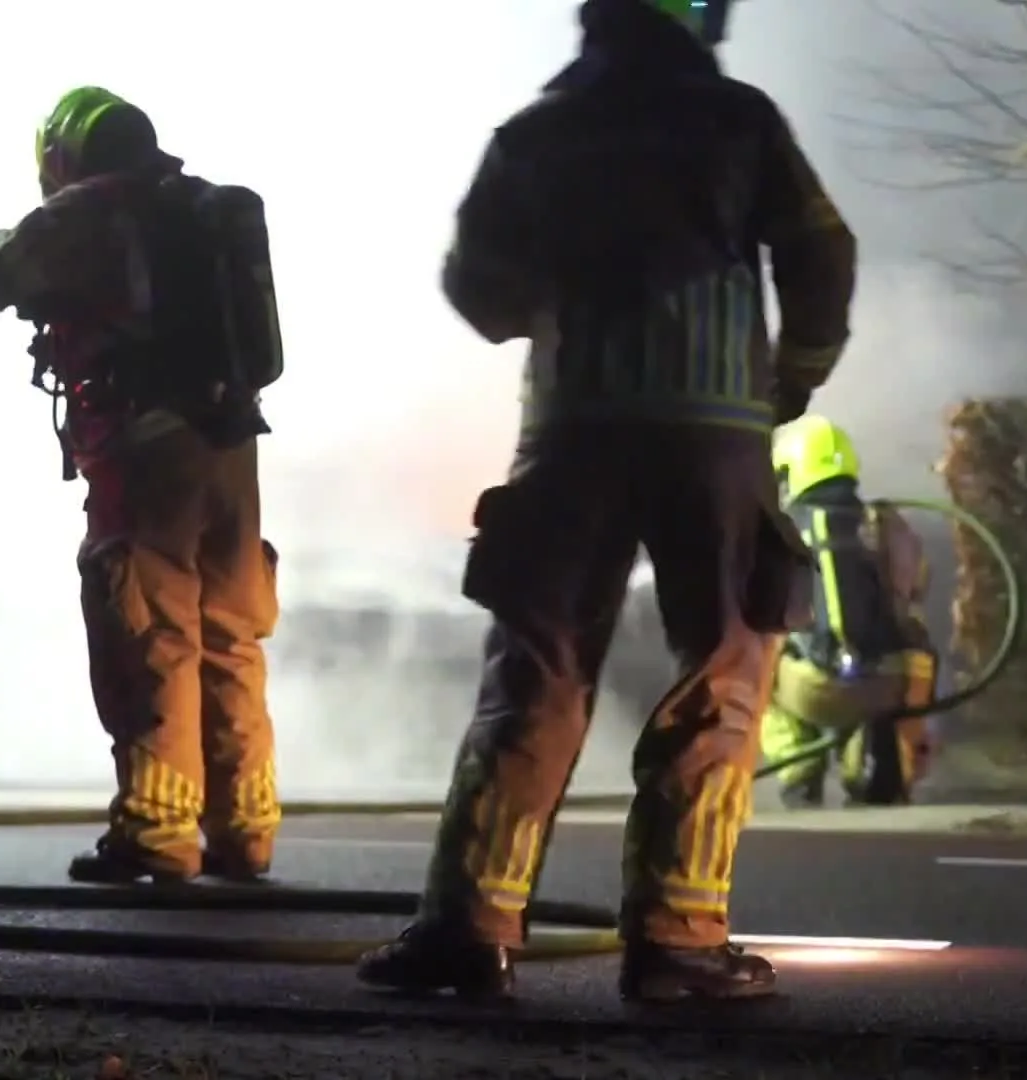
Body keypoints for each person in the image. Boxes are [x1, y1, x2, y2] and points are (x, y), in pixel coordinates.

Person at [354, 0, 857, 1004]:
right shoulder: (739, 120)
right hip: (712, 435)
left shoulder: (535, 134)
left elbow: (477, 288)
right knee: (719, 667)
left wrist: (561, 304)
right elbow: (821, 253)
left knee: (536, 671)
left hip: (571, 434)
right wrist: (792, 376)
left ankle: (466, 932)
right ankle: (677, 944)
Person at [0, 86, 286, 884]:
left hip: (145, 453)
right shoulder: (208, 210)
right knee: (230, 634)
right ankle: (244, 830)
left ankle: (157, 830)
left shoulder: (83, 213)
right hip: (231, 448)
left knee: (148, 632)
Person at [760, 414, 939, 809]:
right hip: (888, 685)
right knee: (904, 657)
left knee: (756, 663)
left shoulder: (779, 530)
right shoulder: (885, 522)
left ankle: (800, 774)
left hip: (815, 686)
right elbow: (916, 586)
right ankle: (871, 768)